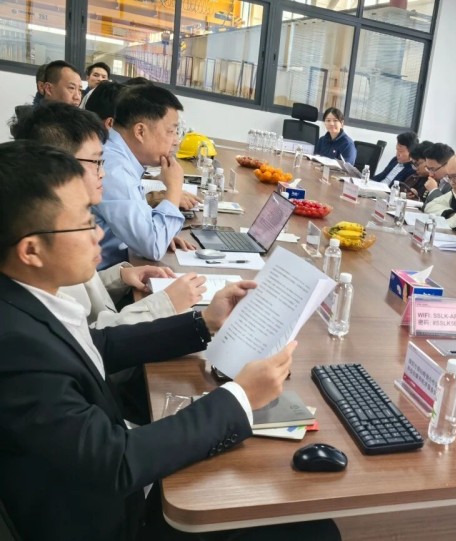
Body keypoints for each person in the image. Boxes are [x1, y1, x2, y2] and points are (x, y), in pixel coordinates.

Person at [0, 140, 340, 541]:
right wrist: (241, 396)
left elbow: (97, 347)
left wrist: (203, 323)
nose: (99, 233)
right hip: (113, 519)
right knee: (312, 528)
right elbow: (117, 462)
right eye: (86, 221)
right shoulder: (17, 348)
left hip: (99, 463)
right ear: (31, 250)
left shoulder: (27, 301)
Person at [10, 101, 204, 328]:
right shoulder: (48, 232)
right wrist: (166, 304)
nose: (103, 173)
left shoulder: (59, 216)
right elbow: (88, 337)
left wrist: (120, 277)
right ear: (54, 163)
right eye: (96, 162)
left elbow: (79, 293)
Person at [94, 84, 194, 269]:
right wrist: (174, 188)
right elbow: (152, 246)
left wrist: (162, 231)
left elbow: (146, 232)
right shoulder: (115, 168)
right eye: (171, 131)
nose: (176, 141)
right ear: (140, 131)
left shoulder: (117, 155)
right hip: (99, 279)